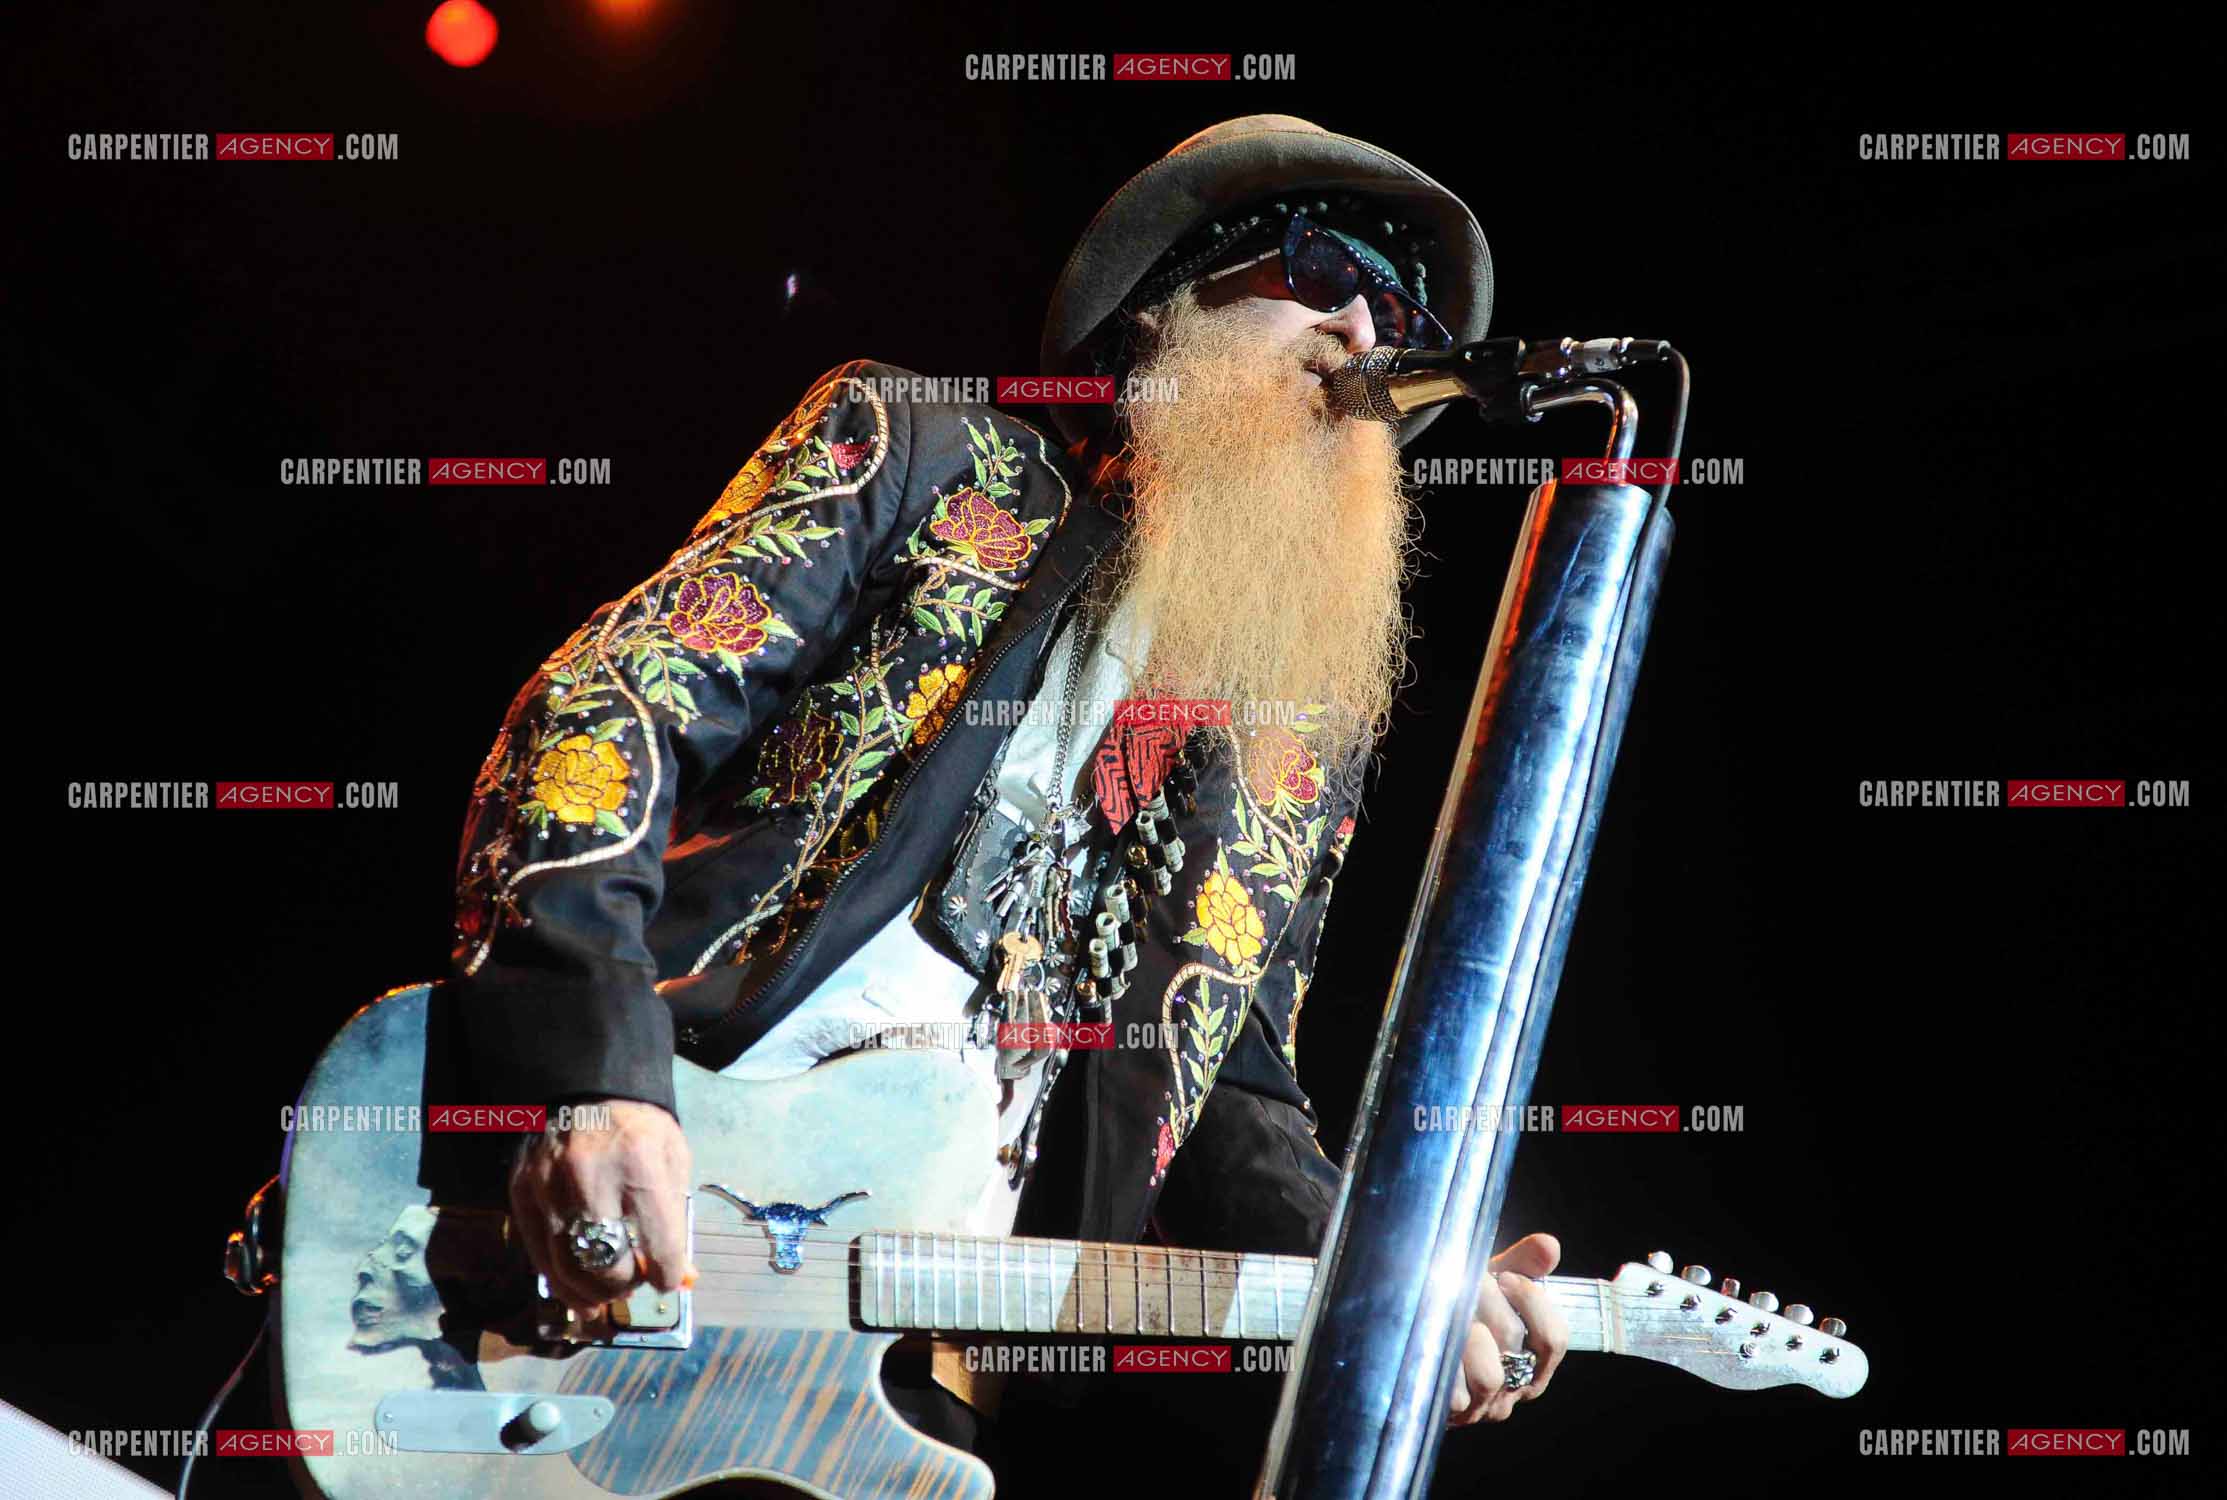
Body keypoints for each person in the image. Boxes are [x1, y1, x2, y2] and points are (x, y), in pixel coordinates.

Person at [448, 115, 1564, 1458]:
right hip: (633, 1179)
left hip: (896, 1374)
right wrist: (589, 1077)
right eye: (1321, 271)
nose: (1365, 338)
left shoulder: (1296, 739)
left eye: (1400, 313)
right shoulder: (925, 456)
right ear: (1165, 305)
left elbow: (1226, 1094)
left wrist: (1407, 1288)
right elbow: (601, 718)